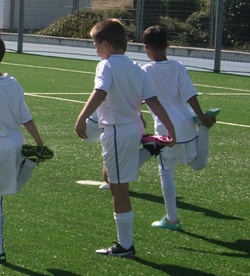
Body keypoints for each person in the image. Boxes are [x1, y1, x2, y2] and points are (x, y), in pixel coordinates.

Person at [75, 19, 176, 257]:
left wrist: (82, 117)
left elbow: (100, 92)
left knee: (118, 189)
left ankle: (125, 246)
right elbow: (152, 100)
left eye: (96, 45)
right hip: (133, 128)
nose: (96, 51)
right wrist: (170, 128)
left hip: (117, 131)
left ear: (106, 44)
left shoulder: (106, 66)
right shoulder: (136, 67)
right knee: (115, 181)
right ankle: (149, 147)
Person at [0, 31, 50, 262]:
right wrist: (39, 142)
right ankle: (30, 161)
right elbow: (26, 117)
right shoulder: (13, 82)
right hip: (17, 141)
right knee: (10, 185)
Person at [139, 25, 218, 230]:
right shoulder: (180, 67)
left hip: (166, 131)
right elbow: (190, 94)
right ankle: (204, 130)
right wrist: (201, 116)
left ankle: (172, 219)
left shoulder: (145, 71)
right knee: (196, 164)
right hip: (187, 125)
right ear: (168, 45)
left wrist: (138, 118)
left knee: (166, 172)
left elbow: (138, 99)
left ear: (146, 47)